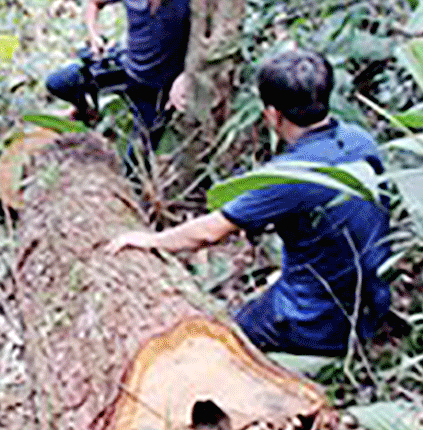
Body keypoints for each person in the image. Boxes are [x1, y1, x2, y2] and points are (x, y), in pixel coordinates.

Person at [108, 50, 392, 357]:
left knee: (229, 342)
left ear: (272, 114)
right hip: (371, 305)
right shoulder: (360, 140)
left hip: (316, 321)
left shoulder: (288, 175)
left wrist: (150, 240)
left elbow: (210, 231)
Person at [45, 0, 192, 163]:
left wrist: (184, 77)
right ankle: (85, 112)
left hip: (157, 87)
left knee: (137, 161)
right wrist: (94, 36)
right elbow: (94, 1)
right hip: (126, 67)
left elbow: (204, 43)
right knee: (59, 82)